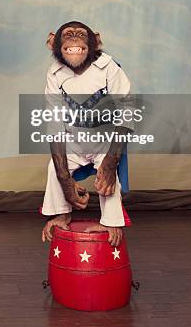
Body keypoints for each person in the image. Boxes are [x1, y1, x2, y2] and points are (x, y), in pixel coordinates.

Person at [40, 21, 132, 247]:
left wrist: (111, 163)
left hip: (106, 141)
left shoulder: (108, 67)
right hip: (74, 142)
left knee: (106, 175)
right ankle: (60, 214)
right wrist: (65, 179)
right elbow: (55, 126)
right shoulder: (55, 73)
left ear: (95, 42)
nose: (73, 39)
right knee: (55, 168)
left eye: (80, 35)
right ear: (53, 42)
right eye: (68, 35)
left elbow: (126, 116)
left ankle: (111, 222)